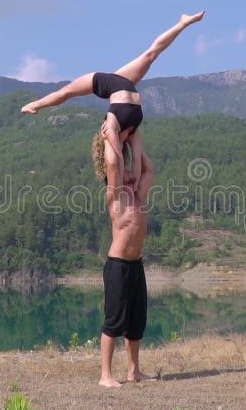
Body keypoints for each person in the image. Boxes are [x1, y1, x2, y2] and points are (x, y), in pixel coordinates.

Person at [21, 11, 204, 185]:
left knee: (68, 91)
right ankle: (182, 23)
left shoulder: (120, 130)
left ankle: (35, 104)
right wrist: (131, 177)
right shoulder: (122, 131)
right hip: (121, 89)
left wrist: (128, 177)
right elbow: (128, 159)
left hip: (121, 95)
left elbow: (124, 159)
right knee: (150, 54)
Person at [91, 133, 155, 387]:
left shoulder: (139, 195)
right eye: (124, 171)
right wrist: (111, 140)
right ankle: (105, 376)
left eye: (131, 170)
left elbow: (149, 169)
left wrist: (133, 143)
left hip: (136, 264)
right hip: (117, 265)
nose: (130, 173)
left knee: (136, 322)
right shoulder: (115, 196)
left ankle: (133, 371)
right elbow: (112, 164)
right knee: (114, 320)